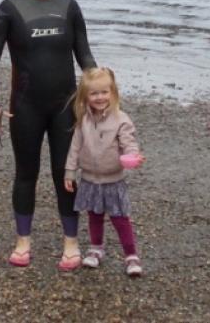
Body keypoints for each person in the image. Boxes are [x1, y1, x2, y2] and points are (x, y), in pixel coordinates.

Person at [0, 0, 96, 270]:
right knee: (25, 173)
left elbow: (84, 53)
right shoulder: (10, 8)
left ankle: (71, 243)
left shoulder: (69, 7)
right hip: (25, 106)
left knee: (66, 173)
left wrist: (100, 88)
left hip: (65, 108)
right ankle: (23, 241)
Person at [64, 67, 145, 276]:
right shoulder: (83, 120)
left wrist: (133, 156)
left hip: (113, 179)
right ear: (86, 96)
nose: (100, 97)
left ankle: (131, 255)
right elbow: (75, 146)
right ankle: (96, 248)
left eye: (104, 92)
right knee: (94, 215)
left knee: (120, 218)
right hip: (90, 178)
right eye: (94, 93)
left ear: (113, 92)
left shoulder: (121, 119)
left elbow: (129, 143)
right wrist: (70, 171)